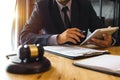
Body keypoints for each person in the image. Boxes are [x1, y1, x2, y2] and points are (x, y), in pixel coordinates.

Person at [19, 0, 114, 48]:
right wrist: (58, 38)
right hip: (53, 60)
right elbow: (24, 36)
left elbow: (100, 30)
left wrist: (109, 41)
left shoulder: (84, 4)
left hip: (82, 58)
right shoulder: (42, 5)